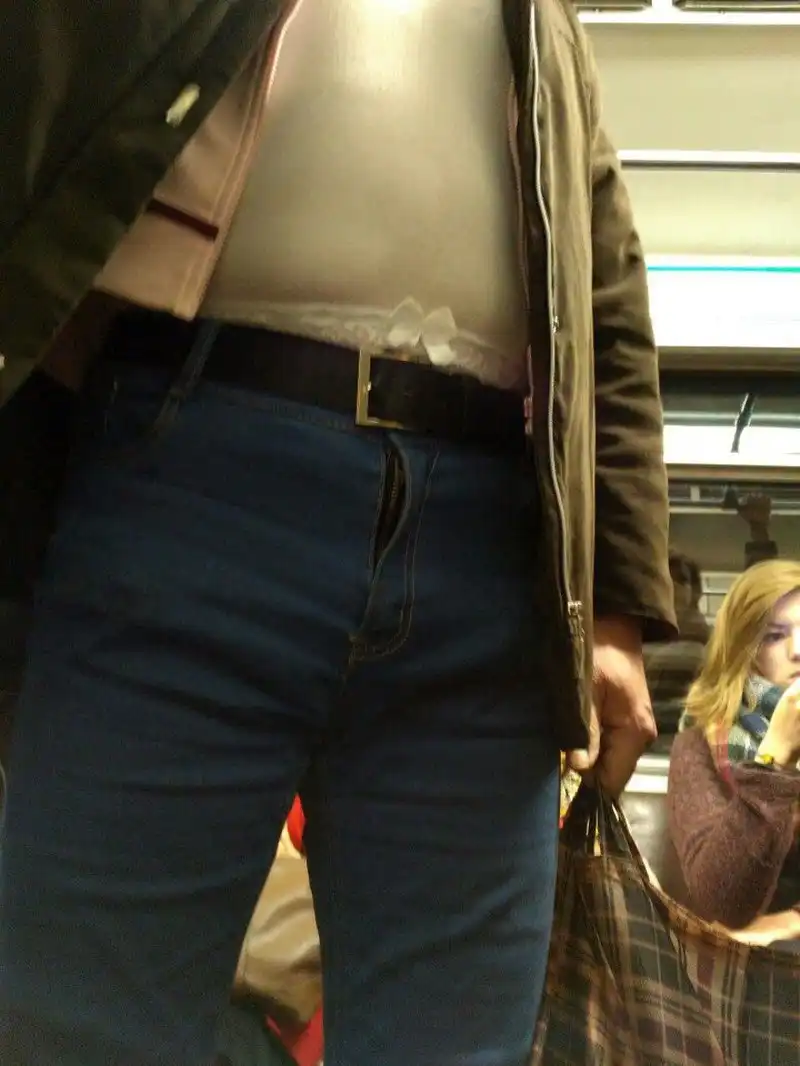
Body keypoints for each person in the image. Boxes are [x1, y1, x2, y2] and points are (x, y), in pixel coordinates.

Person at [0, 3, 675, 1064]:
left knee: (453, 1043)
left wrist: (617, 605)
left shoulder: (543, 22)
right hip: (191, 464)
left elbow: (600, 279)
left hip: (488, 535)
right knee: (81, 1024)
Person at [668, 559, 800, 934]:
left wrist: (791, 922)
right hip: (738, 958)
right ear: (745, 651)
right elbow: (723, 902)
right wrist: (773, 763)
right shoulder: (699, 745)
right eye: (774, 636)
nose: (798, 650)